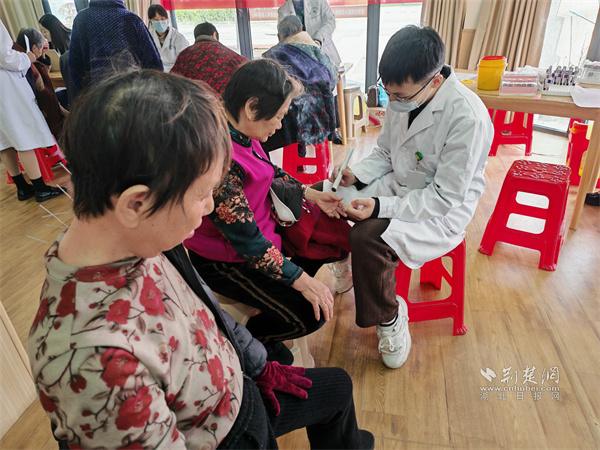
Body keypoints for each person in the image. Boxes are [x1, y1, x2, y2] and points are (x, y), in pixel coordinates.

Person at [27, 69, 374, 449]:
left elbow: (206, 312)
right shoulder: (93, 359)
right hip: (227, 432)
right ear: (136, 203)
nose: (211, 208)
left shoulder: (148, 243)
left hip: (236, 385)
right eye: (201, 195)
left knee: (337, 387)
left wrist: (257, 364)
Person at [327, 26, 493, 369]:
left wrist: (379, 206)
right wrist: (357, 174)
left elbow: (443, 197)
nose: (392, 102)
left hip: (439, 210)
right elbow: (386, 154)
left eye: (399, 96)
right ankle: (344, 261)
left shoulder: (467, 117)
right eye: (388, 92)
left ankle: (390, 318)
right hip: (400, 184)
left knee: (367, 237)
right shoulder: (404, 97)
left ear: (434, 81)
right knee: (327, 194)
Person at [184, 59, 352, 361]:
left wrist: (310, 193)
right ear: (252, 108)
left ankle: (280, 295)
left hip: (263, 236)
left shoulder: (242, 132)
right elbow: (250, 244)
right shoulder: (222, 159)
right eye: (278, 117)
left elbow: (269, 171)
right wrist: (302, 281)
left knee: (334, 239)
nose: (279, 125)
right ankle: (244, 343)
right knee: (309, 315)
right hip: (228, 261)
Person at [0, 20, 63, 202]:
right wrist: (26, 57)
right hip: (6, 86)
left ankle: (22, 187)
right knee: (23, 137)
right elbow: (5, 57)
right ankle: (40, 188)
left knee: (5, 140)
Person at [68, 0, 162, 92]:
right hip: (133, 91)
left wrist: (86, 94)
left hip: (98, 93)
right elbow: (154, 63)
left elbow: (75, 65)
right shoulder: (132, 19)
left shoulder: (81, 19)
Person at [170, 22, 246, 96]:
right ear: (214, 34)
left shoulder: (184, 55)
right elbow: (248, 69)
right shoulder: (229, 53)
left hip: (197, 101)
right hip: (225, 101)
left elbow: (172, 80)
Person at [16, 28, 68, 136]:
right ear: (34, 48)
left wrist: (43, 54)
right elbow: (46, 93)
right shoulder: (30, 66)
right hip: (41, 119)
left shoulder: (21, 59)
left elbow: (44, 79)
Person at [278, 0, 341, 65]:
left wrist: (318, 39)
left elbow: (330, 22)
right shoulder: (283, 11)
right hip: (300, 57)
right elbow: (283, 34)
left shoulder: (319, 2)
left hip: (324, 50)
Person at [147, 4, 189, 72]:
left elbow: (184, 62)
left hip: (174, 74)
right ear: (150, 21)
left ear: (167, 19)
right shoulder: (148, 36)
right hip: (155, 74)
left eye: (162, 19)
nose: (160, 22)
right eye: (156, 19)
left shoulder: (178, 38)